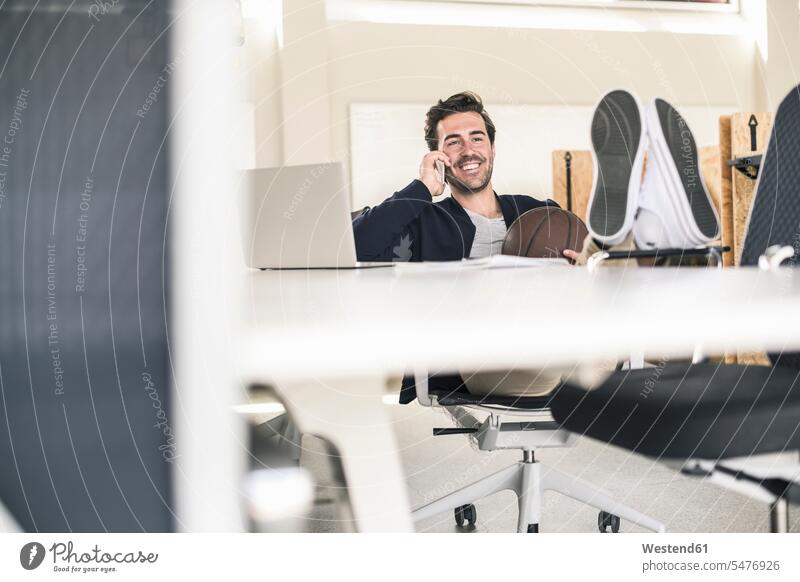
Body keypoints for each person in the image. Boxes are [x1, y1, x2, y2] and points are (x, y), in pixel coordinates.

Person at [353, 89, 719, 403]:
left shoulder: (535, 211)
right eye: (454, 141)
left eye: (477, 138)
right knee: (604, 325)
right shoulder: (421, 220)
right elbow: (357, 246)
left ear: (493, 148)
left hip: (560, 332)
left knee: (604, 261)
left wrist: (578, 271)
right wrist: (421, 188)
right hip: (478, 362)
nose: (469, 149)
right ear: (439, 157)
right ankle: (648, 215)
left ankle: (654, 219)